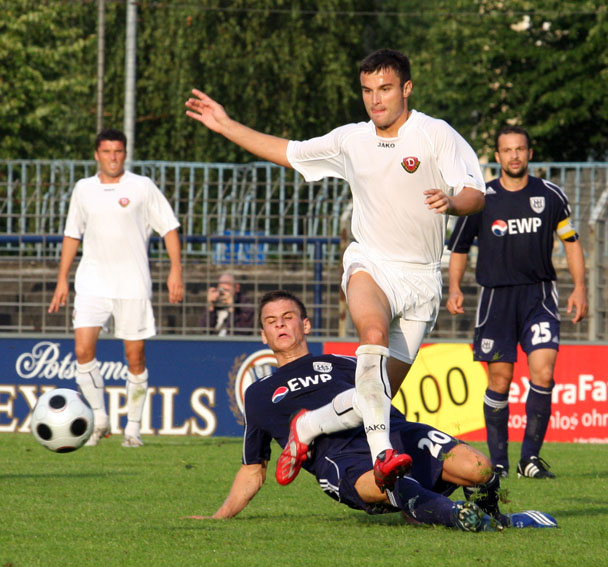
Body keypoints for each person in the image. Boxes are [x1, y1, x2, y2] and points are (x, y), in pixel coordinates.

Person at [185, 48, 486, 491]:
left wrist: (453, 203)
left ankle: (308, 426)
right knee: (372, 333)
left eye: (385, 89)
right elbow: (289, 152)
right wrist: (226, 125)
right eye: (367, 90)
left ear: (406, 88)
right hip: (370, 262)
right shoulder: (351, 140)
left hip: (422, 279)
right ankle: (382, 456)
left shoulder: (435, 133)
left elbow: (475, 193)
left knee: (375, 397)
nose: (375, 99)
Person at [186, 291, 557, 531]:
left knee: (480, 468)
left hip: (395, 435)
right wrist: (218, 517)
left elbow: (386, 394)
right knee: (390, 484)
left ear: (306, 324)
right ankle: (455, 517)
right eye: (271, 321)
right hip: (342, 459)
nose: (280, 324)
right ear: (263, 336)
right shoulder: (259, 394)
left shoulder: (349, 362)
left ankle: (496, 520)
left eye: (288, 316)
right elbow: (253, 470)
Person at [446, 126, 588, 479]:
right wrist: (454, 288)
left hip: (539, 295)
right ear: (497, 156)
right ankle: (499, 464)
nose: (514, 155)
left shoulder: (550, 195)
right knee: (500, 379)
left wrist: (580, 288)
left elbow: (571, 241)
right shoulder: (481, 198)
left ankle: (530, 460)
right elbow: (459, 249)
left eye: (520, 149)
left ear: (529, 153)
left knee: (544, 372)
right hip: (496, 299)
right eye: (507, 150)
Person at [48, 128, 184, 448]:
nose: (113, 157)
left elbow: (169, 228)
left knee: (135, 357)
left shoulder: (142, 186)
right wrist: (62, 278)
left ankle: (133, 428)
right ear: (97, 154)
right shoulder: (83, 189)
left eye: (118, 151)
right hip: (92, 282)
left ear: (125, 153)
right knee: (83, 351)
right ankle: (99, 419)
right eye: (107, 151)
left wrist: (176, 270)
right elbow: (72, 234)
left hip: (132, 284)